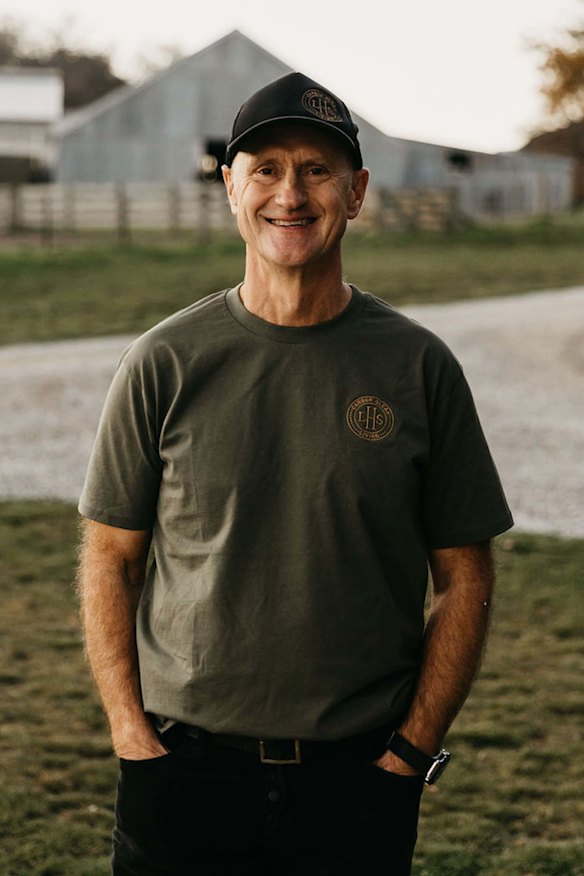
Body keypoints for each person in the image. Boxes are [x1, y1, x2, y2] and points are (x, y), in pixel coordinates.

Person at [77, 72, 513, 876]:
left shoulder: (418, 367)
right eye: (267, 168)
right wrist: (131, 738)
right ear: (230, 187)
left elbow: (465, 577)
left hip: (358, 779)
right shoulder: (164, 361)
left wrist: (410, 755)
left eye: (317, 169)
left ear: (356, 193)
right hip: (183, 772)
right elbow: (112, 558)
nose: (291, 192)